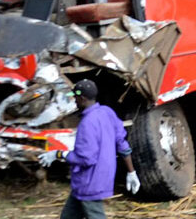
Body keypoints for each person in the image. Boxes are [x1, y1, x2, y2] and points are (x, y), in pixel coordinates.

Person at [39, 79, 140, 219]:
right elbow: (122, 144)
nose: (74, 100)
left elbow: (86, 158)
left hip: (89, 182)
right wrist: (131, 172)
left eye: (75, 97)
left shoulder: (87, 123)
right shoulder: (107, 112)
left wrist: (58, 154)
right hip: (95, 180)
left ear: (82, 98)